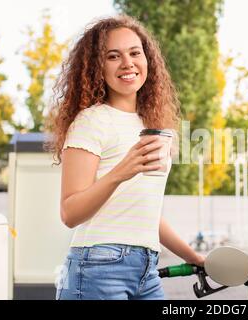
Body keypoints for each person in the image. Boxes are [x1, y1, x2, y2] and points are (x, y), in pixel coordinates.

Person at [46, 15, 204, 300]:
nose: (128, 63)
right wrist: (122, 171)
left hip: (147, 271)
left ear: (147, 60)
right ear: (97, 67)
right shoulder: (91, 121)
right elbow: (69, 213)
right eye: (113, 56)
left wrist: (196, 258)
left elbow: (146, 212)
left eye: (135, 53)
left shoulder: (151, 124)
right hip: (97, 269)